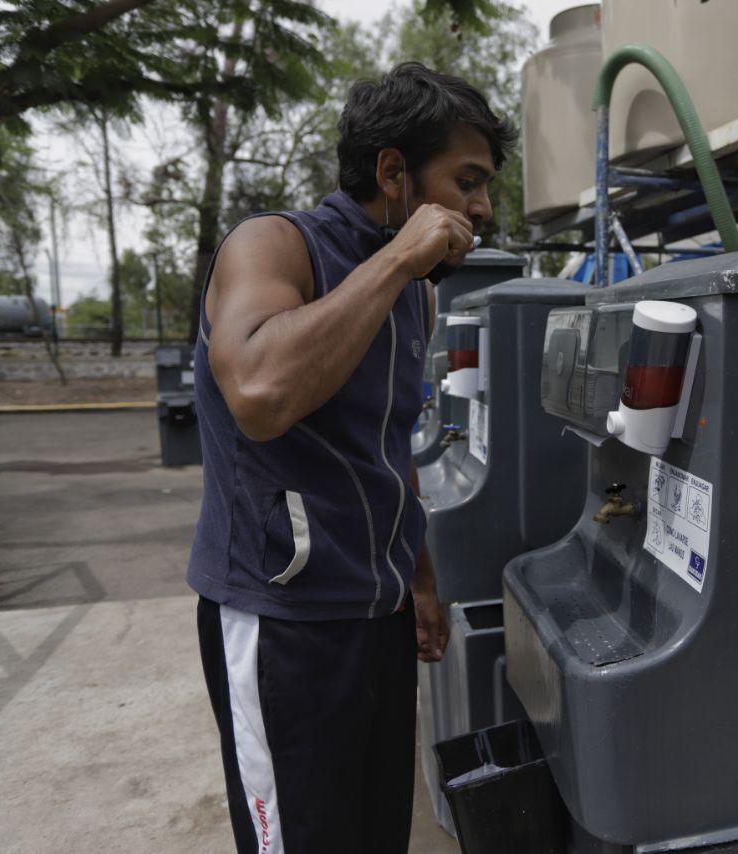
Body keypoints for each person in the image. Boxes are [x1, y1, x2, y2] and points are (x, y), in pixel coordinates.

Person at [186, 61, 516, 853]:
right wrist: (398, 259)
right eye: (467, 181)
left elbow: (387, 439)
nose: (482, 208)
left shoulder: (418, 294)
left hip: (379, 615)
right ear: (393, 172)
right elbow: (260, 395)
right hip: (285, 621)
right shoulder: (273, 246)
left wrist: (422, 580)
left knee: (373, 832)